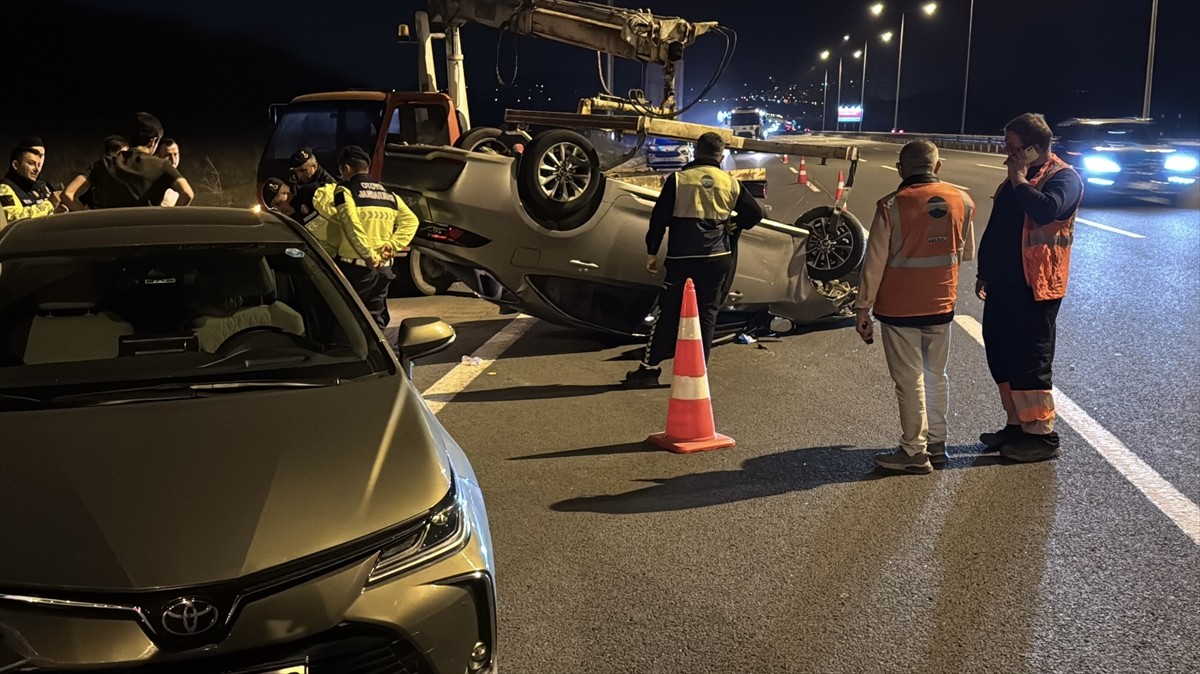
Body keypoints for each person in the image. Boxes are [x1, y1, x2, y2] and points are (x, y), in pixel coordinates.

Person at [854, 140, 976, 474]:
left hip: (900, 309)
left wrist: (863, 308)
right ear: (937, 166)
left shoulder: (891, 205)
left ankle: (913, 451)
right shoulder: (963, 200)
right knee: (936, 375)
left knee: (909, 381)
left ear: (900, 169)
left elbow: (874, 263)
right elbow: (966, 253)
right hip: (941, 303)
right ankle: (937, 444)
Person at [976, 112, 1083, 463]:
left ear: (1033, 149)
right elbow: (999, 228)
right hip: (1004, 283)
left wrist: (1019, 179)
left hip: (1036, 286)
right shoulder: (1017, 179)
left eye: (1012, 146)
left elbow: (1047, 211)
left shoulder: (1063, 178)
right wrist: (986, 272)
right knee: (1001, 356)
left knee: (1030, 360)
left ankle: (1040, 436)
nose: (1006, 152)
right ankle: (1016, 426)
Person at [622, 131, 764, 388]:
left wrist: (652, 250)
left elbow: (659, 219)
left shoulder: (679, 180)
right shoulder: (730, 183)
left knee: (668, 312)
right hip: (717, 258)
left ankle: (649, 370)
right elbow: (755, 213)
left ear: (697, 151)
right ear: (720, 156)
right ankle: (697, 374)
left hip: (683, 258)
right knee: (707, 314)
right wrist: (735, 223)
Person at [314, 145, 418, 331]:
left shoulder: (344, 191)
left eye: (341, 171)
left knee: (348, 322)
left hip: (356, 270)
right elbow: (411, 221)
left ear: (346, 168)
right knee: (376, 322)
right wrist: (392, 245)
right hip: (383, 269)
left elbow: (351, 225)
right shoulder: (388, 193)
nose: (340, 175)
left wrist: (367, 254)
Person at [68, 112, 194, 208]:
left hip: (109, 231)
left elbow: (68, 194)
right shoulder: (162, 165)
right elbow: (187, 193)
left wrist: (89, 217)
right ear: (154, 141)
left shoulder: (102, 164)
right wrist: (165, 220)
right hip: (146, 230)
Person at [262, 176, 340, 258]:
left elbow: (344, 212)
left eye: (278, 204)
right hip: (336, 258)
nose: (279, 210)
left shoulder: (314, 192)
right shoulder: (292, 222)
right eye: (275, 208)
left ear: (286, 193)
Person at [62, 135, 129, 211]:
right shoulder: (132, 168)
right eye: (126, 154)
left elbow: (67, 194)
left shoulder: (97, 167)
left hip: (103, 216)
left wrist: (86, 214)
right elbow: (67, 194)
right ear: (121, 153)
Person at [0, 137, 57, 222]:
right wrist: (49, 205)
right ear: (15, 165)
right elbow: (14, 219)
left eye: (38, 165)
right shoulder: (5, 188)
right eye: (31, 163)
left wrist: (57, 211)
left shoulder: (41, 187)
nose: (37, 169)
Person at [155, 138, 182, 206]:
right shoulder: (152, 180)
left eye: (175, 154)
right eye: (168, 155)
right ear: (157, 156)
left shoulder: (179, 180)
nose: (173, 160)